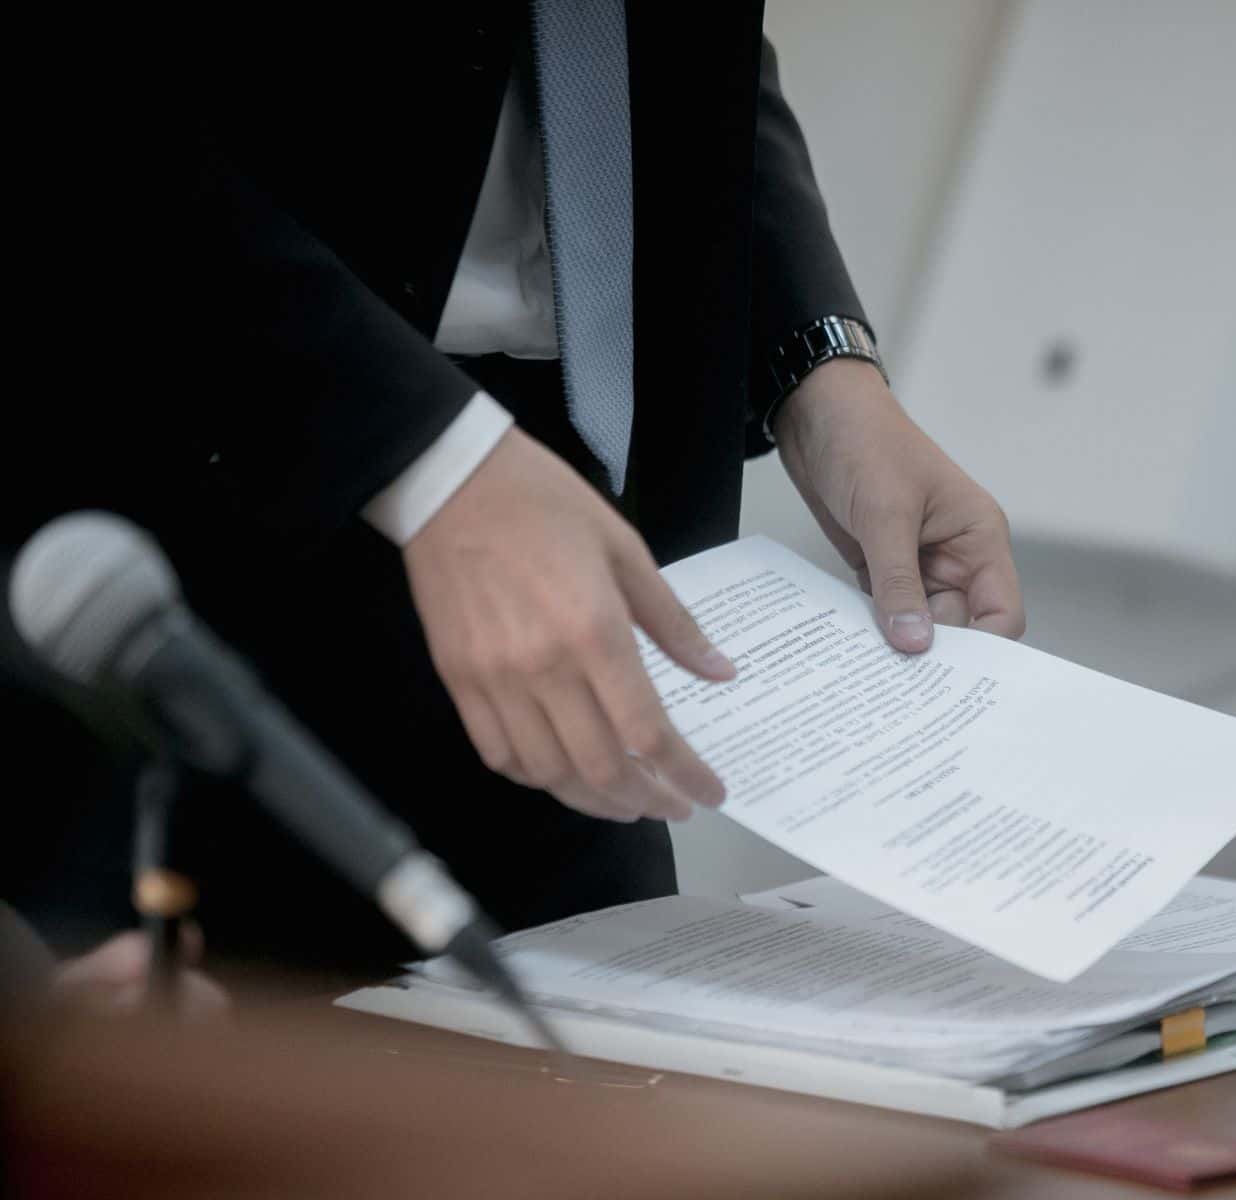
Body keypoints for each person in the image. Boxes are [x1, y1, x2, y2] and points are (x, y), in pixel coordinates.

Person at [1, 4, 1023, 972]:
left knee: (586, 1110)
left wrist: (819, 366)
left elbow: (680, 52)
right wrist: (427, 455)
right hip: (198, 513)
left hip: (577, 545)